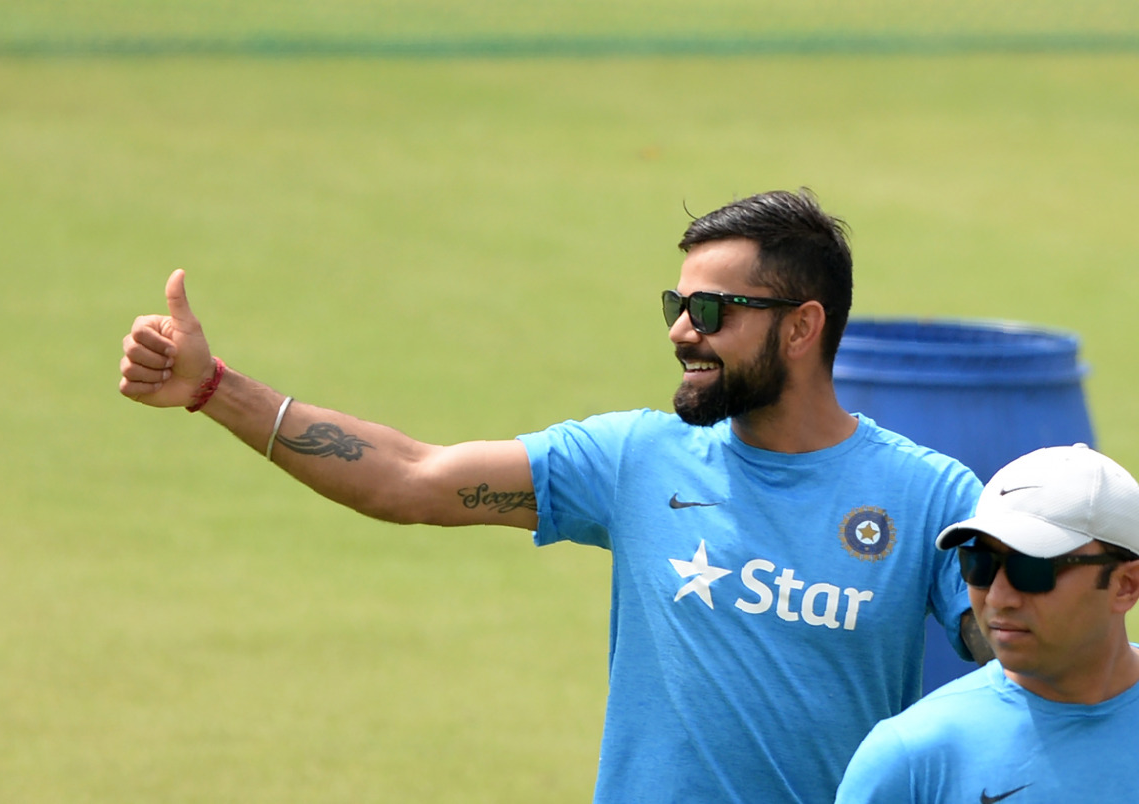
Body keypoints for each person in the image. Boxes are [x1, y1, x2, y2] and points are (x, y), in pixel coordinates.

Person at [119, 189, 990, 803]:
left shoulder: (926, 496)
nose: (685, 330)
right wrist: (213, 388)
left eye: (714, 310)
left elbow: (1032, 654)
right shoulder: (635, 459)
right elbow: (408, 478)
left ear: (802, 326)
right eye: (676, 306)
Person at [835, 443, 1139, 804]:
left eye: (1032, 567)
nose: (997, 597)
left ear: (1125, 585)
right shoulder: (909, 758)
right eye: (978, 563)